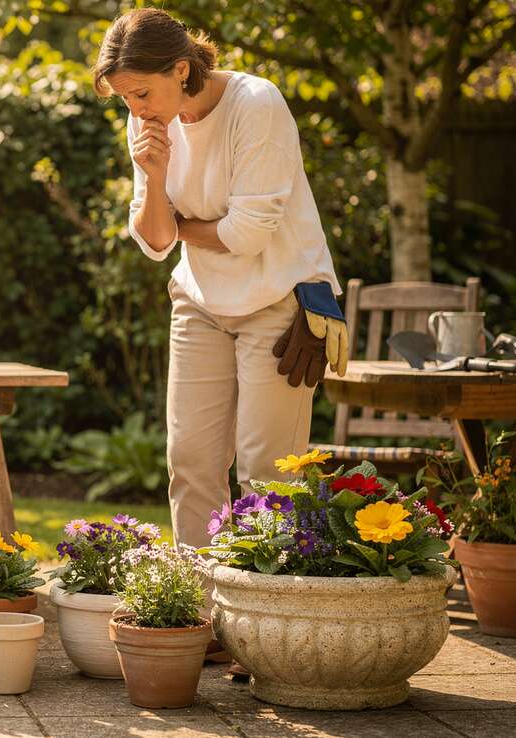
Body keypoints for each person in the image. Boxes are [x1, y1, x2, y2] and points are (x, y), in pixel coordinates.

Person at [92, 9, 346, 555]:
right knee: (190, 461)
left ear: (181, 69)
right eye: (125, 99)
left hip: (279, 301)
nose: (135, 111)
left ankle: (265, 615)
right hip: (200, 300)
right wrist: (156, 178)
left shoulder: (256, 104)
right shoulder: (146, 125)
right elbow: (156, 244)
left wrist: (177, 224)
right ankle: (197, 613)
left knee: (266, 469)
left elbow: (249, 233)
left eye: (141, 94)